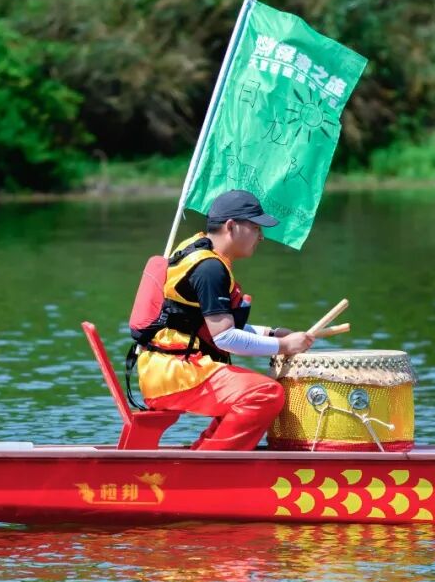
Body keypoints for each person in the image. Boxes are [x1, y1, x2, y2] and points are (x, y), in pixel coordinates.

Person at [133, 189, 315, 450]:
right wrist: (285, 347)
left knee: (251, 388)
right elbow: (225, 337)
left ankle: (205, 451)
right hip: (176, 373)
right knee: (265, 393)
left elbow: (207, 324)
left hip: (167, 369)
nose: (261, 237)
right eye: (254, 228)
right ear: (231, 226)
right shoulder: (210, 268)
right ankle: (208, 466)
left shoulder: (198, 251)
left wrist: (272, 334)